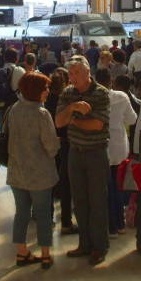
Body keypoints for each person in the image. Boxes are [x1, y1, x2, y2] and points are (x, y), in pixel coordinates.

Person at [55, 55, 110, 265]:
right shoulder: (68, 93)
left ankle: (99, 246)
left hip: (96, 152)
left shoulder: (101, 93)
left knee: (97, 201)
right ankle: (84, 244)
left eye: (77, 72)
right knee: (79, 201)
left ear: (88, 72)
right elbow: (59, 122)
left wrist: (74, 120)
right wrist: (73, 108)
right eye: (70, 73)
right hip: (75, 153)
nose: (73, 77)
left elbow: (97, 125)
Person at [6, 71, 60, 269]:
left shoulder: (14, 109)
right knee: (43, 214)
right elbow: (50, 147)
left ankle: (22, 252)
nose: (48, 92)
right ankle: (46, 254)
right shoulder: (42, 114)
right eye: (45, 88)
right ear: (36, 90)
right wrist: (57, 143)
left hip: (17, 171)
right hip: (40, 175)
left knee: (21, 213)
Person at [94, 68, 136, 238]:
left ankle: (110, 226)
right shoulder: (122, 97)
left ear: (96, 81)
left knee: (105, 188)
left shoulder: (93, 98)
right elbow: (132, 119)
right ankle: (119, 224)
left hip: (100, 146)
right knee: (117, 187)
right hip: (119, 147)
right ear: (111, 80)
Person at [0, 48, 25, 186]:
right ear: (16, 58)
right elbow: (24, 91)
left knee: (4, 136)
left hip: (2, 109)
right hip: (16, 109)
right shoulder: (19, 71)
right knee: (17, 140)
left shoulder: (1, 71)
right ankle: (17, 174)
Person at [44, 68, 77, 234]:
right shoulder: (66, 101)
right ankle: (66, 221)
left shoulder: (46, 101)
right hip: (65, 144)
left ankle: (47, 217)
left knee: (51, 179)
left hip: (50, 145)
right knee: (66, 182)